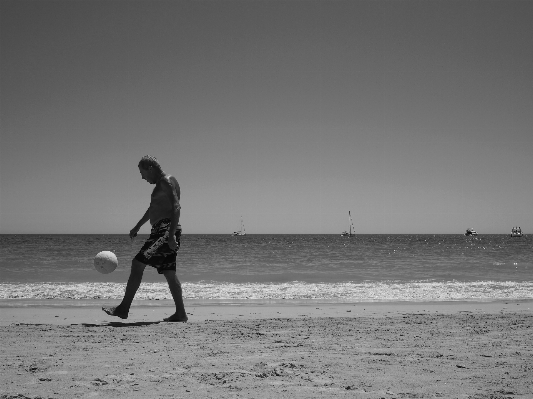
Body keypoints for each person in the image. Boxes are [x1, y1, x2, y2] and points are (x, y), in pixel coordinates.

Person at [102, 155, 188, 322]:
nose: (142, 177)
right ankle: (181, 314)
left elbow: (176, 206)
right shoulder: (161, 185)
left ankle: (123, 309)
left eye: (142, 173)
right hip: (164, 229)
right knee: (170, 272)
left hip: (165, 230)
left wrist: (170, 235)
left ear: (150, 168)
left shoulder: (166, 181)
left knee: (137, 263)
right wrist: (138, 226)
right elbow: (152, 209)